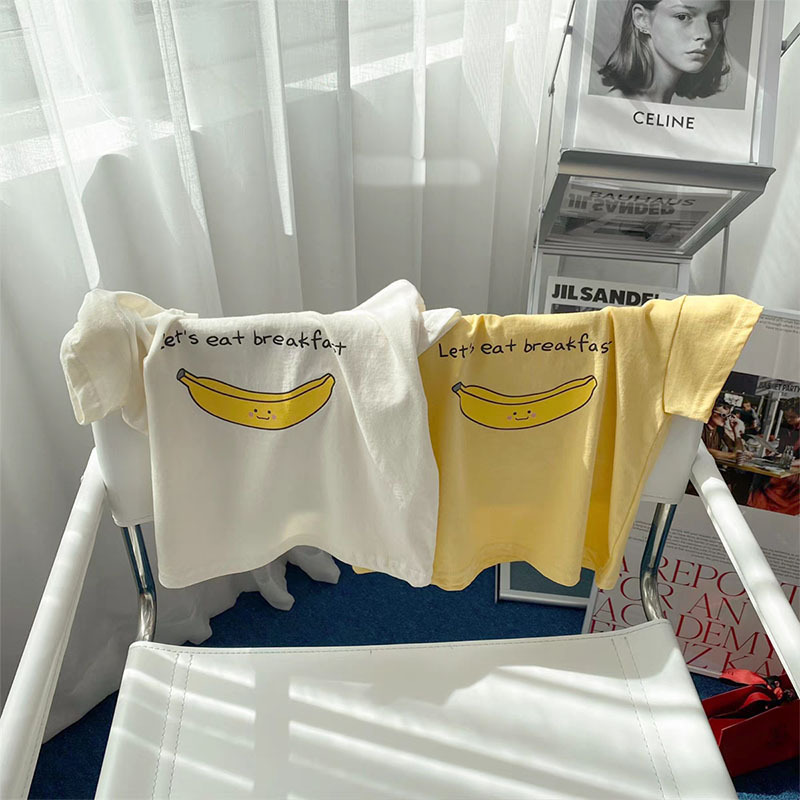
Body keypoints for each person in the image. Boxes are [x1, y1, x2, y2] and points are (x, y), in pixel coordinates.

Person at [599, 0, 731, 104]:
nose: (706, 34)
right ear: (642, 19)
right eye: (682, 17)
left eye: (715, 19)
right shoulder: (616, 109)